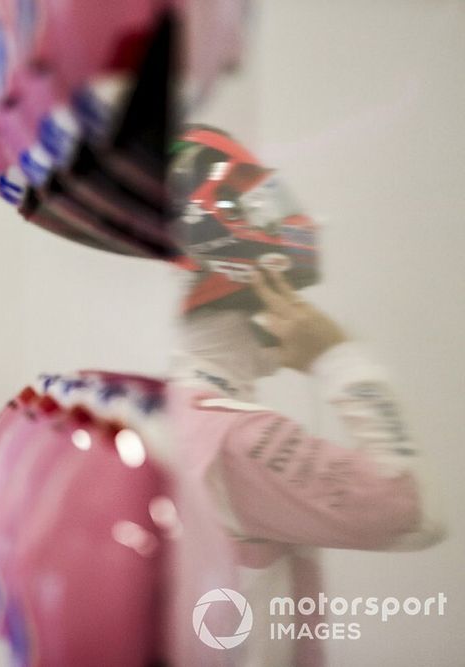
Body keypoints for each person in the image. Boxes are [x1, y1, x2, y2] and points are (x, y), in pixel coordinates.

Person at [167, 126, 445, 666]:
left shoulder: (162, 414)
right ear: (259, 282)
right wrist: (338, 357)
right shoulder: (233, 439)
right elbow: (418, 513)